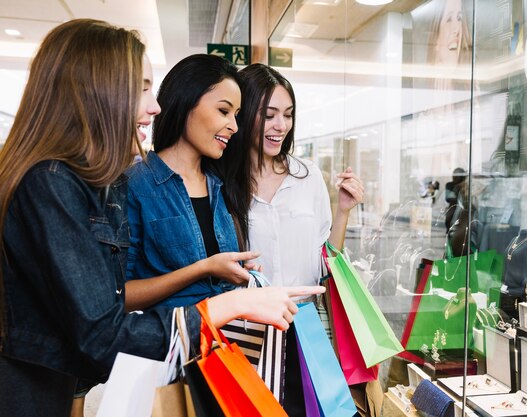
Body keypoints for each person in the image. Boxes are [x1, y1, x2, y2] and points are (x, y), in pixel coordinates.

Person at [0, 19, 322, 417]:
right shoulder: (55, 184)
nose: (154, 106)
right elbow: (104, 329)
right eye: (142, 88)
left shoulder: (213, 187)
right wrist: (230, 304)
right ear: (98, 90)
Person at [218, 63, 364, 416]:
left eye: (288, 115)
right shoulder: (222, 181)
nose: (280, 126)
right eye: (269, 115)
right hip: (247, 333)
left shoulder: (307, 176)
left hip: (304, 329)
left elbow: (323, 261)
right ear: (246, 113)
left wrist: (342, 211)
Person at [124, 54, 260, 311]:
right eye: (223, 111)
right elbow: (120, 295)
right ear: (186, 101)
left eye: (236, 115)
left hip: (223, 344)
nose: (234, 126)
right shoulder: (135, 185)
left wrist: (238, 273)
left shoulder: (220, 184)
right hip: (171, 345)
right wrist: (203, 268)